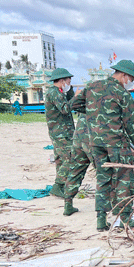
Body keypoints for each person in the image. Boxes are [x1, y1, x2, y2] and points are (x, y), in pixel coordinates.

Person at [82, 59, 134, 231]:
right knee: (124, 180)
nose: (131, 83)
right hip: (117, 144)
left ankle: (101, 221)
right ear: (124, 75)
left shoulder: (92, 86)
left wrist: (95, 116)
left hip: (96, 143)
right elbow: (132, 124)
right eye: (131, 79)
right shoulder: (122, 94)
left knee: (103, 180)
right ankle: (125, 220)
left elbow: (76, 104)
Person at [62, 88, 95, 216]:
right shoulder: (98, 106)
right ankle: (110, 209)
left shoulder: (83, 105)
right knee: (105, 175)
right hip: (91, 142)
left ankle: (68, 205)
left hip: (77, 141)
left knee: (75, 172)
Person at [45, 67, 75, 199]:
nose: (69, 83)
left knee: (60, 160)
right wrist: (77, 97)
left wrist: (71, 92)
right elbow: (65, 109)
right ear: (62, 80)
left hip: (60, 132)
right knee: (70, 158)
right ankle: (58, 185)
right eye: (68, 80)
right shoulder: (55, 93)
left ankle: (61, 188)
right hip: (61, 133)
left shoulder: (58, 92)